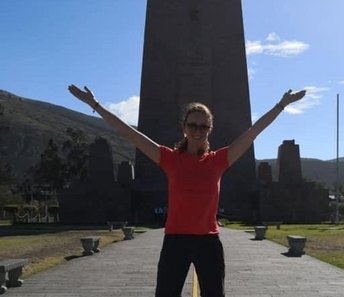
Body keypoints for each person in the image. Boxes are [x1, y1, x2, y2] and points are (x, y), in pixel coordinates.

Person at [68, 84, 306, 297]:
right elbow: (130, 133)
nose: (197, 130)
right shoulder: (170, 159)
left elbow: (253, 132)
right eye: (193, 124)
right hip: (176, 241)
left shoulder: (218, 160)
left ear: (209, 129)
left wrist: (281, 105)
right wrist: (95, 104)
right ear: (184, 127)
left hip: (209, 242)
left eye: (203, 126)